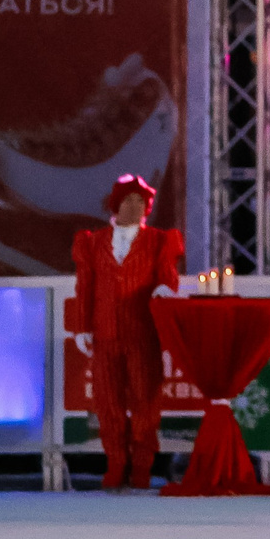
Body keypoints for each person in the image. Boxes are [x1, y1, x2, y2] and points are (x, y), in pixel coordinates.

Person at [71, 174, 182, 491]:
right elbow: (85, 287)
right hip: (105, 334)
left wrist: (164, 288)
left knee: (146, 401)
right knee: (108, 403)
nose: (136, 207)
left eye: (141, 202)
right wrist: (82, 326)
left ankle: (143, 465)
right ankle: (116, 462)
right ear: (115, 204)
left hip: (142, 334)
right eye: (129, 200)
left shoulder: (159, 241)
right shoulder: (92, 242)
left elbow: (167, 275)